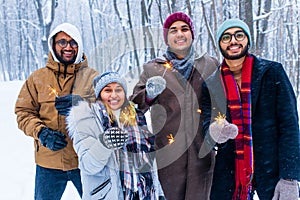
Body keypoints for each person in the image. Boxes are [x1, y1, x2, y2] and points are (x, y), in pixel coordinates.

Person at [201, 18, 300, 200]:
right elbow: (206, 122)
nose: (233, 41)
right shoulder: (211, 84)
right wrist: (214, 131)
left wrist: (290, 178)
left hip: (272, 171)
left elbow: (290, 126)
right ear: (220, 44)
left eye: (239, 35)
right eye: (226, 37)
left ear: (248, 40)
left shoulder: (272, 73)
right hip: (229, 177)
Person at [130, 12, 219, 200]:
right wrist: (149, 95)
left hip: (202, 153)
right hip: (169, 155)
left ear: (192, 35)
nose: (179, 34)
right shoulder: (153, 68)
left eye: (184, 29)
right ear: (166, 37)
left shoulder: (210, 64)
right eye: (173, 30)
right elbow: (135, 107)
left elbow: (222, 101)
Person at [15, 23, 98, 200]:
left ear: (79, 45)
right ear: (53, 45)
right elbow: (23, 112)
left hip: (85, 161)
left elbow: (111, 110)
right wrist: (41, 132)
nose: (68, 47)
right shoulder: (37, 78)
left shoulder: (93, 77)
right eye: (62, 42)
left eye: (73, 42)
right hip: (48, 163)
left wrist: (81, 104)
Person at [66, 71, 165, 200]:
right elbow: (88, 166)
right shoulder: (87, 120)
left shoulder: (135, 117)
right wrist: (104, 143)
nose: (114, 95)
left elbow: (149, 161)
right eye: (107, 90)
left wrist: (158, 193)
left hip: (143, 194)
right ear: (99, 94)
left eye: (118, 90)